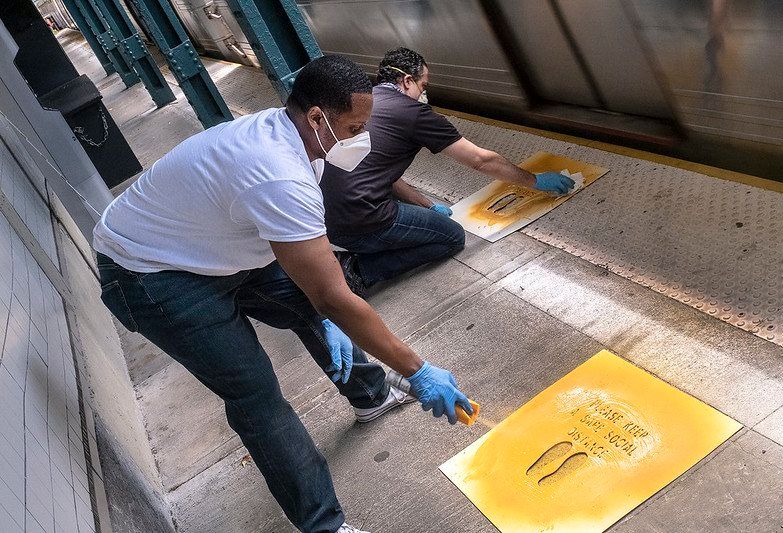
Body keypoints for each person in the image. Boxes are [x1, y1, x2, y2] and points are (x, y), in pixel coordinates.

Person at [93, 55, 472, 533]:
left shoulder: (295, 138)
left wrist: (323, 309)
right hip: (151, 273)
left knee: (314, 308)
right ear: (317, 116)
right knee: (257, 396)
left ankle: (369, 395)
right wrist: (417, 370)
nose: (361, 138)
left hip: (214, 244)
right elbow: (331, 294)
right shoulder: (277, 172)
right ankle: (324, 526)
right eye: (355, 127)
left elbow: (307, 262)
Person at [321, 48, 575, 292]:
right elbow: (480, 160)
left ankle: (367, 247)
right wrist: (534, 180)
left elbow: (379, 173)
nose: (425, 94)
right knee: (451, 237)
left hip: (330, 222)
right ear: (408, 80)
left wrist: (427, 205)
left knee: (417, 223)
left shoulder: (367, 103)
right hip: (363, 221)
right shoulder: (414, 113)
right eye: (424, 86)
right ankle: (358, 270)